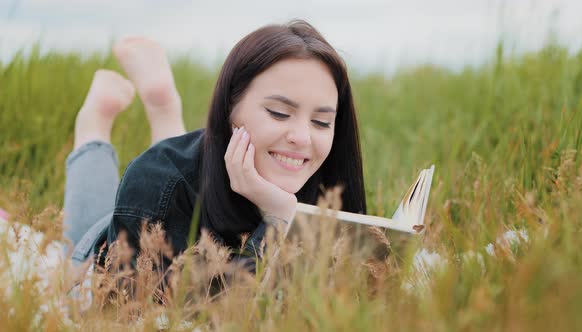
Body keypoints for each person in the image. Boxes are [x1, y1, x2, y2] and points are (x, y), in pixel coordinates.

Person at [63, 20, 366, 275]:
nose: (302, 137)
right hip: (105, 261)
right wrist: (280, 221)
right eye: (279, 113)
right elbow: (204, 312)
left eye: (322, 122)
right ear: (229, 108)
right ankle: (97, 119)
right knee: (84, 235)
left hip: (186, 181)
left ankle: (164, 107)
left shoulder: (330, 179)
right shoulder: (157, 179)